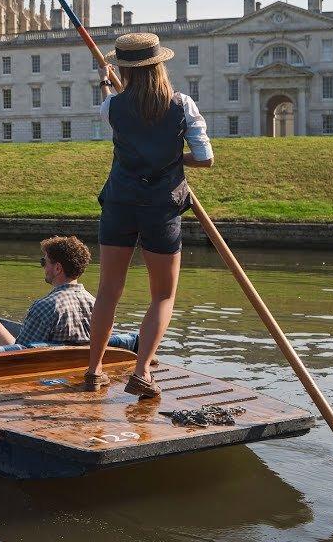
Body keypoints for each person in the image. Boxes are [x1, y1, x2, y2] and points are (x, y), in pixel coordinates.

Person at [84, 32, 213, 398]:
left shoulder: (111, 107)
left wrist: (107, 86)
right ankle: (141, 373)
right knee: (162, 296)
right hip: (161, 207)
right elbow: (205, 158)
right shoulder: (182, 105)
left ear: (124, 69)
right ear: (159, 66)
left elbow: (119, 108)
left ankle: (93, 372)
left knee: (108, 291)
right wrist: (175, 159)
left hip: (120, 204)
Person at [0, 236, 138, 352]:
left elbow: (20, 352)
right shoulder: (96, 304)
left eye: (44, 262)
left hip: (34, 368)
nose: (43, 267)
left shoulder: (46, 306)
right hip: (74, 365)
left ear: (57, 268)